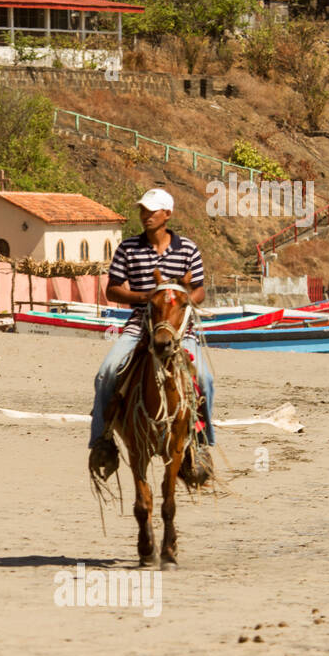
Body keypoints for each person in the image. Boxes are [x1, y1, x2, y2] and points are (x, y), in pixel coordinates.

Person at [88, 189, 215, 482]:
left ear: (167, 215)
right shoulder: (128, 248)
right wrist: (146, 296)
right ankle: (102, 441)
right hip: (139, 324)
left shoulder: (188, 249)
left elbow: (199, 289)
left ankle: (203, 445)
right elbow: (113, 289)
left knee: (205, 381)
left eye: (152, 211)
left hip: (180, 329)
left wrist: (182, 301)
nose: (146, 216)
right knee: (106, 372)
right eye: (143, 211)